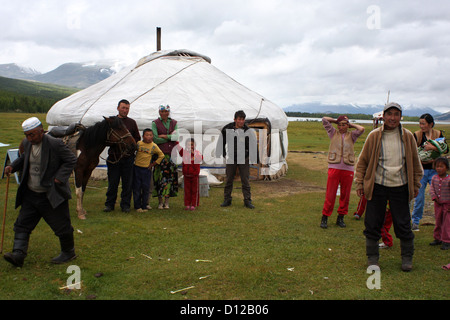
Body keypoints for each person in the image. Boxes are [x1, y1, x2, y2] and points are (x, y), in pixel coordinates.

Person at [355, 102, 423, 272]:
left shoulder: (407, 136)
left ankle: (407, 258)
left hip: (400, 186)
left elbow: (415, 163)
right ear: (384, 116)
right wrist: (360, 183)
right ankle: (372, 258)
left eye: (396, 114)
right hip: (378, 185)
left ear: (401, 117)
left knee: (403, 223)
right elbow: (362, 161)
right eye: (389, 114)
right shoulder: (374, 136)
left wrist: (415, 185)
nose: (393, 118)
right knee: (372, 223)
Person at [3, 117, 77, 267]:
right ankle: (18, 254)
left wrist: (59, 177)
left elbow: (71, 159)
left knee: (62, 226)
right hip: (31, 193)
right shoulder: (27, 143)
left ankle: (68, 252)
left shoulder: (54, 144)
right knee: (22, 224)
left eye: (33, 134)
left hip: (50, 193)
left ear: (41, 131)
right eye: (27, 135)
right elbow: (25, 158)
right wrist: (13, 166)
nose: (30, 138)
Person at [320, 116, 365, 228]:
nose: (341, 127)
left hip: (348, 168)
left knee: (345, 195)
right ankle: (325, 217)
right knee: (330, 194)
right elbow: (324, 120)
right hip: (334, 167)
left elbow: (361, 129)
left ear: (348, 125)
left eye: (344, 124)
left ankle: (341, 218)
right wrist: (336, 120)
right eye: (339, 125)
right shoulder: (333, 133)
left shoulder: (352, 135)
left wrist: (351, 125)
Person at [411, 113, 448, 231]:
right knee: (419, 197)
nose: (421, 126)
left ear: (431, 124)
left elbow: (446, 149)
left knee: (441, 196)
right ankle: (415, 222)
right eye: (420, 123)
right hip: (421, 170)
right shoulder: (416, 135)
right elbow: (411, 150)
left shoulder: (439, 134)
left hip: (435, 170)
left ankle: (442, 222)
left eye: (423, 123)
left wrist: (432, 148)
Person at [104, 99, 141, 213]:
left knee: (127, 183)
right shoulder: (111, 121)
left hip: (128, 158)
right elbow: (105, 138)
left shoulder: (132, 122)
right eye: (123, 108)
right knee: (113, 183)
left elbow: (137, 138)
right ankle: (110, 205)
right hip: (114, 157)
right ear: (118, 108)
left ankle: (125, 205)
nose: (125, 110)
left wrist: (129, 145)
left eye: (127, 108)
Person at [216, 110, 258, 209]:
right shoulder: (227, 128)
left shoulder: (248, 130)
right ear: (235, 119)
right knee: (229, 179)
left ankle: (247, 201)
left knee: (245, 180)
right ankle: (227, 199)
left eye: (243, 119)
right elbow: (221, 141)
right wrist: (223, 153)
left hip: (244, 157)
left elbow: (253, 144)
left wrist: (254, 157)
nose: (241, 121)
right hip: (231, 157)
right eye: (239, 119)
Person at [152, 104, 179, 209]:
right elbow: (155, 139)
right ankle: (160, 202)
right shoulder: (155, 123)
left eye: (166, 112)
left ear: (168, 112)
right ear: (159, 112)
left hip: (171, 154)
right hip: (159, 155)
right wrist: (170, 137)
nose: (164, 114)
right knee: (158, 177)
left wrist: (164, 136)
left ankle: (167, 202)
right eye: (162, 112)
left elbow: (176, 136)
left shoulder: (174, 123)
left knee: (169, 178)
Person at [132, 129, 164, 212]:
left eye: (150, 135)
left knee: (146, 188)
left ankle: (144, 205)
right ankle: (137, 206)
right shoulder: (139, 144)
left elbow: (161, 155)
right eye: (147, 135)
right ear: (143, 136)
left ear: (153, 136)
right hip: (137, 168)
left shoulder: (154, 146)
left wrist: (153, 164)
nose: (149, 137)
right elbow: (132, 151)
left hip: (146, 169)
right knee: (137, 188)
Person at [429, 157, 450, 250]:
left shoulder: (449, 179)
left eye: (441, 166)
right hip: (438, 204)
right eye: (437, 166)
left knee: (447, 223)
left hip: (447, 205)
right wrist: (434, 197)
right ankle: (437, 238)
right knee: (438, 221)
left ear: (447, 168)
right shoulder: (434, 178)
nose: (439, 168)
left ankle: (447, 240)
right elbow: (431, 189)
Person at [177, 138, 203, 211]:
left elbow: (200, 159)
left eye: (192, 145)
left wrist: (193, 153)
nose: (190, 146)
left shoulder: (197, 153)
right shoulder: (184, 153)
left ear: (194, 145)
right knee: (187, 191)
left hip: (194, 176)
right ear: (185, 145)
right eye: (188, 145)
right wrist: (175, 140)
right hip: (186, 175)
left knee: (194, 191)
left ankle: (194, 204)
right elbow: (178, 148)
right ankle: (187, 204)